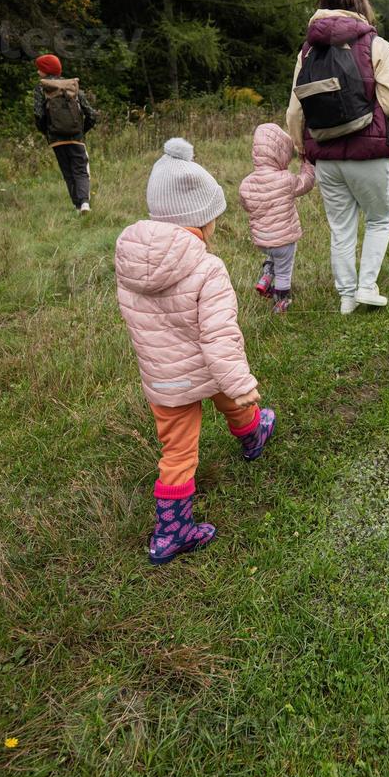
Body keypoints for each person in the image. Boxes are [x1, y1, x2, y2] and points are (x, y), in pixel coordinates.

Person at [114, 138, 278, 566]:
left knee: (178, 452)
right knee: (230, 397)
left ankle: (171, 529)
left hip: (163, 380)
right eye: (213, 219)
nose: (215, 227)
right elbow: (220, 336)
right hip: (207, 368)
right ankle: (174, 531)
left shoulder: (129, 262)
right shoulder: (207, 268)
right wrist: (242, 384)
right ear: (200, 220)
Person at [285, 0, 389, 315]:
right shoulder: (377, 46)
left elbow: (295, 110)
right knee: (380, 218)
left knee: (341, 227)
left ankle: (346, 297)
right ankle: (367, 286)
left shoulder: (307, 51)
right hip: (368, 152)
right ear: (361, 2)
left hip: (325, 155)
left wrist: (302, 148)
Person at [239, 123, 316, 314]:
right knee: (284, 269)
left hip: (262, 241)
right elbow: (305, 184)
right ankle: (281, 301)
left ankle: (266, 277)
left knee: (273, 253)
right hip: (285, 240)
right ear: (280, 154)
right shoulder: (286, 179)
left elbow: (246, 205)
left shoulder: (246, 183)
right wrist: (307, 165)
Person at [32, 54, 98, 215]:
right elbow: (92, 115)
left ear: (46, 71)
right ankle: (84, 204)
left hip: (56, 139)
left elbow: (39, 115)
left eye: (39, 68)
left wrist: (48, 133)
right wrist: (82, 132)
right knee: (81, 171)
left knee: (68, 172)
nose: (37, 72)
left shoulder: (41, 88)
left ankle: (76, 207)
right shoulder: (72, 86)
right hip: (76, 137)